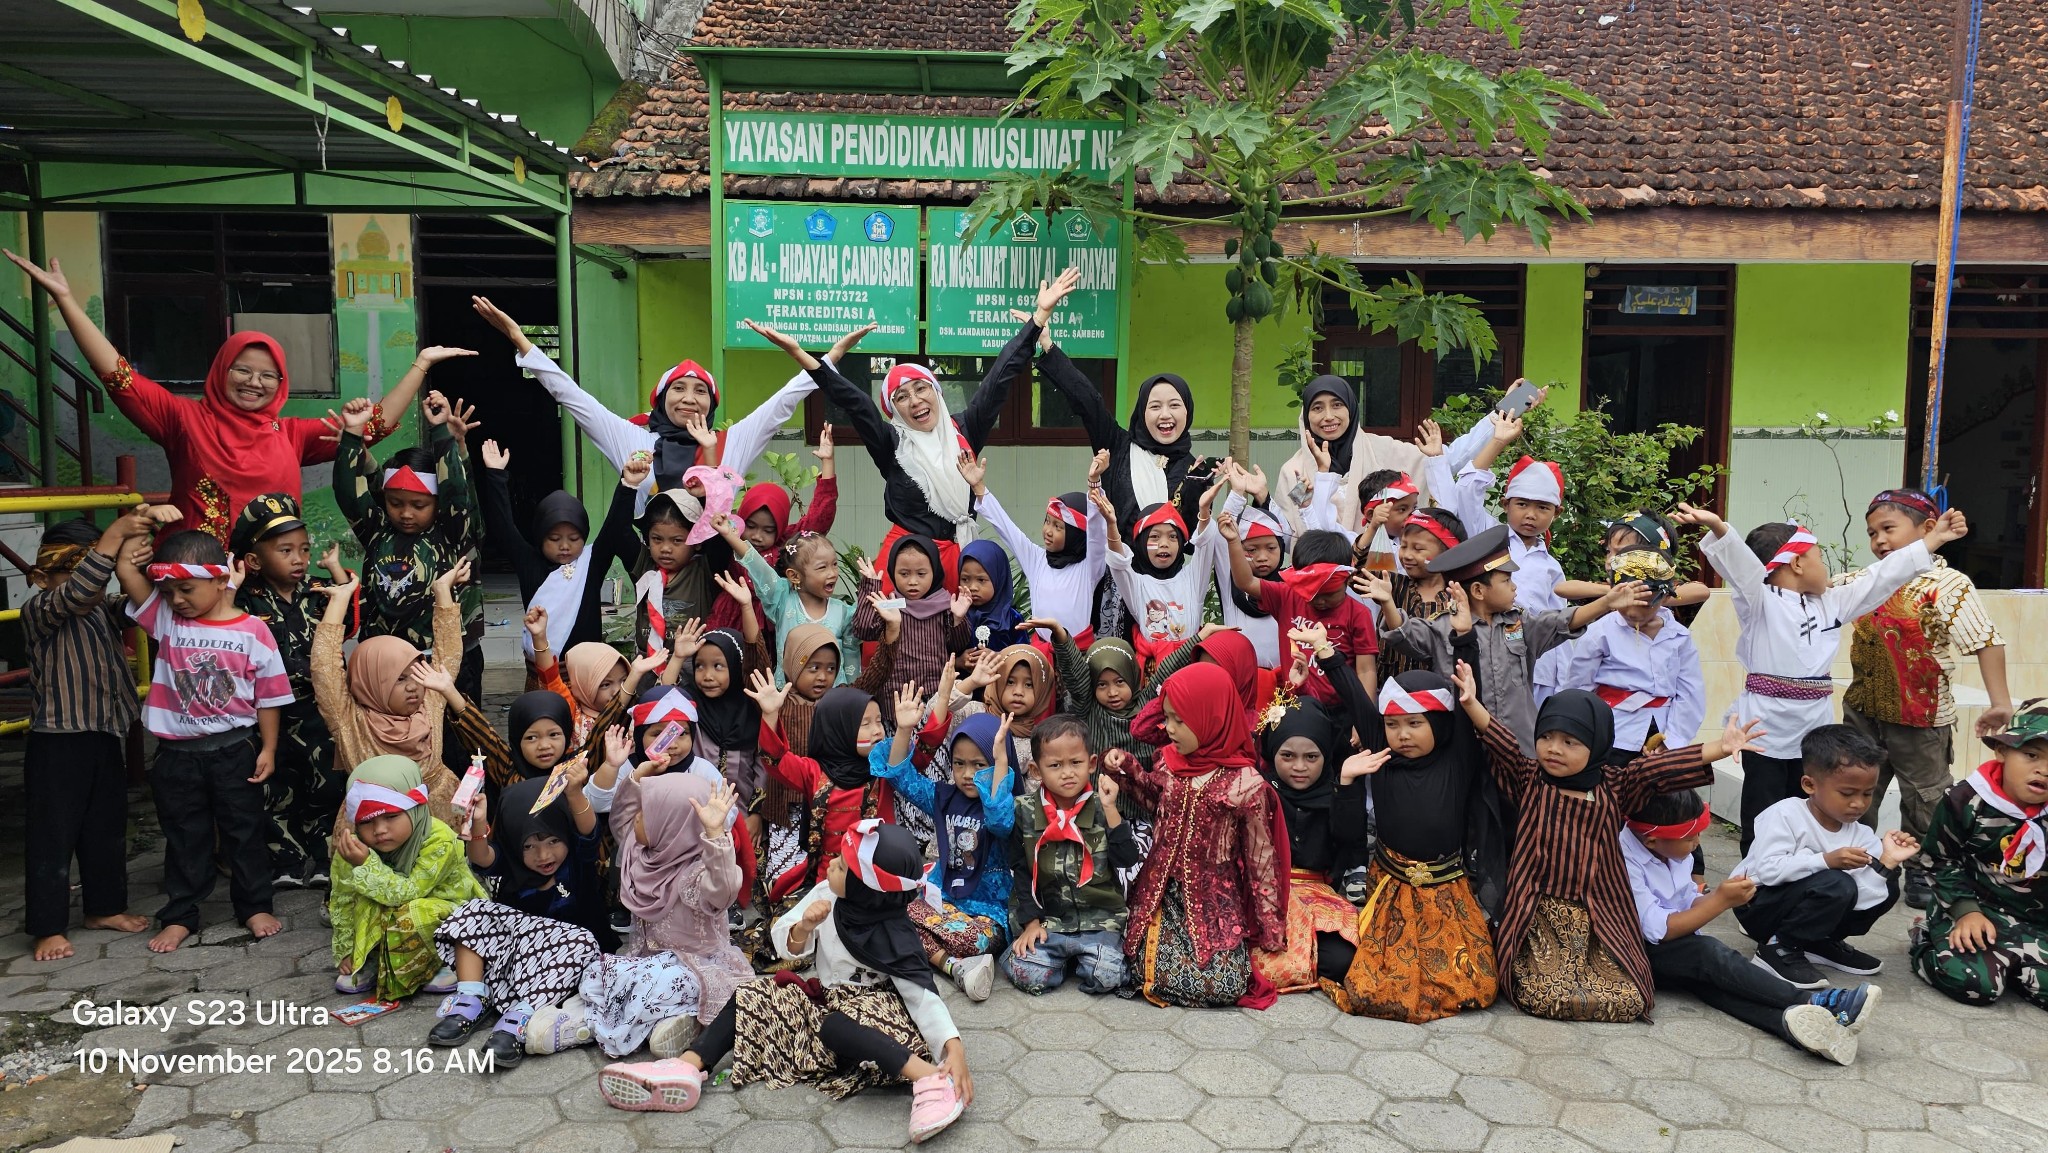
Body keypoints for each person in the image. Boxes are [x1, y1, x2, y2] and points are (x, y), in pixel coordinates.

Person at [2, 250, 447, 542]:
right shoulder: (182, 419)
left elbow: (375, 426)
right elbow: (118, 377)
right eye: (242, 370)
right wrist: (68, 302)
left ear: (281, 383)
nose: (254, 382)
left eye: (268, 375)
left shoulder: (291, 434)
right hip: (198, 580)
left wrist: (420, 364)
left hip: (271, 582)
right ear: (221, 370)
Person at [599, 820, 971, 1147]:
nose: (831, 866)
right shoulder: (826, 894)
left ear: (867, 890)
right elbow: (785, 943)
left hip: (878, 1019)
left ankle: (931, 1080)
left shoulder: (895, 931)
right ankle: (687, 1067)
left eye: (842, 866)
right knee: (750, 994)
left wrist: (952, 1050)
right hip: (828, 1007)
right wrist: (804, 928)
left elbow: (922, 997)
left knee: (836, 1026)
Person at [1463, 668, 1764, 1021]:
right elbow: (1501, 741)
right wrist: (1471, 702)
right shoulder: (1529, 777)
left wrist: (1720, 749)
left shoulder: (1614, 786)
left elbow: (1659, 770)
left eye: (1570, 742)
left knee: (1628, 997)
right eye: (1546, 737)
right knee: (1541, 993)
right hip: (1537, 912)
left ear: (1597, 744)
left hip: (1598, 912)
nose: (1554, 749)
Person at [1672, 500, 1970, 852]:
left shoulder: (1833, 602)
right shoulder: (1760, 600)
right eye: (1819, 557)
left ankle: (1806, 869)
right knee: (1762, 812)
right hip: (1763, 729)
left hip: (1813, 727)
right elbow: (1742, 568)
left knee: (1809, 809)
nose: (1825, 567)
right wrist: (1718, 526)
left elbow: (1882, 576)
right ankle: (1758, 877)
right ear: (1797, 563)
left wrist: (1933, 540)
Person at [744, 268, 1078, 563]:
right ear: (894, 410)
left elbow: (1000, 377)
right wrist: (799, 354)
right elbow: (856, 403)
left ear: (937, 392)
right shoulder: (892, 443)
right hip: (907, 570)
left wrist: (1039, 317)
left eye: (921, 388)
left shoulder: (964, 429)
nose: (915, 401)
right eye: (901, 397)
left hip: (962, 560)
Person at [471, 295, 839, 510]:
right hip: (651, 577)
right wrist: (521, 340)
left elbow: (783, 402)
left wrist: (832, 358)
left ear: (711, 405)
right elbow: (572, 396)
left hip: (720, 576)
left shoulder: (730, 443)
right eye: (679, 389)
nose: (689, 399)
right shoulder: (635, 441)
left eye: (701, 392)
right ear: (662, 399)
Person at [114, 516, 293, 952]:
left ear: (220, 580)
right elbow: (126, 572)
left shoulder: (254, 631)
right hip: (176, 756)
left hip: (235, 750)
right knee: (184, 836)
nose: (176, 599)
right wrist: (137, 528)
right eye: (168, 592)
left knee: (244, 832)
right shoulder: (167, 621)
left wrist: (269, 748)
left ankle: (254, 906)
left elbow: (269, 698)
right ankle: (180, 914)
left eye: (186, 590)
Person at [1839, 488, 2013, 909]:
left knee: (1925, 799)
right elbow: (1821, 592)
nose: (1879, 540)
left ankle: (1923, 868)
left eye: (1888, 528)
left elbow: (1985, 640)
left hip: (1921, 716)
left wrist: (2000, 702)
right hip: (1862, 711)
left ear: (1927, 528)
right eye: (1872, 533)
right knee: (1855, 789)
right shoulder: (1868, 579)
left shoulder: (1948, 584)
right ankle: (1861, 860)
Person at [1622, 788, 1876, 1064]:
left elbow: (1686, 905)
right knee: (1708, 955)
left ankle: (1794, 1026)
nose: (1697, 842)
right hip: (1634, 953)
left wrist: (1720, 895)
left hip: (1670, 944)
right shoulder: (1623, 859)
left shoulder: (1672, 851)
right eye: (1690, 837)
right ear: (1652, 840)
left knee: (1718, 984)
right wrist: (1720, 901)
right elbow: (1660, 931)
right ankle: (1816, 1002)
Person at [1319, 651, 1507, 1021]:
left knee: (1476, 984)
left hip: (1446, 893)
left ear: (1439, 723)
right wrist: (1327, 654)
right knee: (1375, 983)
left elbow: (1466, 696)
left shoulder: (1456, 758)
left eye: (1414, 723)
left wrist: (1464, 640)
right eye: (1392, 724)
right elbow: (1355, 696)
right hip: (1391, 889)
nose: (1402, 734)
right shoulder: (1383, 754)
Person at [1105, 662, 1288, 1008]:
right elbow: (1155, 802)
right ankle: (1152, 975)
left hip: (1213, 903)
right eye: (1167, 717)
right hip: (1161, 894)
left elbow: (1261, 861)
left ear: (1211, 717)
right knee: (1133, 960)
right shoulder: (1168, 761)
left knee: (1226, 983)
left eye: (1179, 719)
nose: (1169, 728)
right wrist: (1126, 767)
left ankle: (1156, 980)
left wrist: (1271, 930)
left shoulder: (1246, 785)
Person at [22, 511, 157, 961]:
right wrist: (116, 533)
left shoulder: (102, 606)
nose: (92, 583)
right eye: (76, 572)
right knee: (52, 836)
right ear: (44, 577)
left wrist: (134, 562)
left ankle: (103, 908)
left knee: (106, 828)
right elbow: (77, 592)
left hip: (104, 732)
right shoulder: (41, 609)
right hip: (58, 741)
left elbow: (139, 603)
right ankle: (47, 927)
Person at [1385, 525, 1645, 754]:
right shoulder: (1444, 626)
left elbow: (1563, 621)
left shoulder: (1521, 623)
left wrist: (1606, 602)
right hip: (1464, 747)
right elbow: (1404, 634)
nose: (1514, 587)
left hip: (1519, 747)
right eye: (1507, 580)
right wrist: (1387, 603)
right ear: (1478, 590)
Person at [428, 760, 609, 1069]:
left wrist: (575, 793)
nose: (544, 855)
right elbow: (482, 857)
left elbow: (588, 830)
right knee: (472, 910)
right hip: (513, 962)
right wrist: (478, 824)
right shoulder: (511, 862)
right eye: (529, 846)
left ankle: (518, 1020)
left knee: (580, 942)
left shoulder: (578, 860)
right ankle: (471, 997)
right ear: (514, 842)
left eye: (553, 841)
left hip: (564, 966)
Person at [586, 756, 751, 1060]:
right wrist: (637, 776)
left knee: (654, 984)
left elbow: (725, 889)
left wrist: (716, 834)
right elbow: (620, 819)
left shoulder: (698, 872)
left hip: (694, 967)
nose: (635, 821)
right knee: (596, 973)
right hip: (646, 963)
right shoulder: (642, 854)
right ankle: (667, 1021)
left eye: (644, 815)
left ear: (670, 824)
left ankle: (680, 1020)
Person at [1733, 725, 1917, 990]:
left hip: (1806, 900)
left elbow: (1863, 899)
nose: (1859, 803)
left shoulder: (1861, 834)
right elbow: (1768, 870)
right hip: (1756, 904)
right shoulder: (1785, 814)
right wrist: (1825, 860)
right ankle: (1778, 947)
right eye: (1847, 793)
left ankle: (1817, 941)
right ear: (1809, 785)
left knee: (1887, 884)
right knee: (1836, 883)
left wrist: (1888, 862)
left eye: (1867, 793)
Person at [231, 494, 353, 889]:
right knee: (275, 785)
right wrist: (230, 587)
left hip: (318, 707)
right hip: (268, 711)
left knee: (326, 781)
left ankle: (325, 853)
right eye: (285, 551)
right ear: (254, 560)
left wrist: (336, 573)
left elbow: (348, 622)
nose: (299, 559)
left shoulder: (318, 591)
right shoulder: (244, 599)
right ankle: (284, 857)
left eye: (303, 549)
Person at [312, 559, 471, 830]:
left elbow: (448, 654)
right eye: (399, 679)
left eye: (416, 674)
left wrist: (443, 591)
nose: (413, 686)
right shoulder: (351, 720)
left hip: (439, 822)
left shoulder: (429, 702)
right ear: (372, 684)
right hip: (376, 829)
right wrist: (339, 601)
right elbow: (324, 668)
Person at [875, 699, 1016, 1001]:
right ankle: (954, 967)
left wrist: (1000, 761)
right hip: (942, 902)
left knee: (970, 939)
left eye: (980, 765)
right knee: (891, 912)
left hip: (985, 916)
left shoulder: (1005, 806)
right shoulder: (943, 796)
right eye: (959, 763)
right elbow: (901, 779)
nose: (967, 774)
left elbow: (999, 822)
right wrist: (904, 730)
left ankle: (925, 954)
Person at [1911, 701, 2048, 1010]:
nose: (2044, 769)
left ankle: (2019, 969)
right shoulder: (1966, 800)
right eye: (2032, 755)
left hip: (2036, 921)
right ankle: (1926, 940)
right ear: (2002, 751)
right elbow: (1938, 860)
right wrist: (1965, 911)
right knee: (1974, 985)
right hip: (1977, 912)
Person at [479, 440, 643, 678]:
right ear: (540, 537)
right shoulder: (529, 562)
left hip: (587, 674)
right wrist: (495, 475)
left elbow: (615, 525)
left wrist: (628, 484)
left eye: (574, 538)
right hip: (542, 672)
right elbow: (503, 526)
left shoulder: (591, 561)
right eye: (554, 538)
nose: (565, 546)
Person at [1251, 685, 1376, 997]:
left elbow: (1349, 841)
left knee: (1342, 960)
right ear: (1272, 752)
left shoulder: (1334, 792)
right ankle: (1296, 963)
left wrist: (1346, 787)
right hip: (1264, 895)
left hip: (1317, 894)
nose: (1299, 767)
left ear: (1326, 755)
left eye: (1311, 757)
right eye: (1287, 756)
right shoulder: (1258, 791)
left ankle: (1290, 965)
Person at [328, 756, 485, 1001]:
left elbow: (408, 892)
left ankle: (445, 961)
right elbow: (341, 900)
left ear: (415, 810)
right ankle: (371, 959)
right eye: (367, 821)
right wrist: (346, 950)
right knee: (364, 899)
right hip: (395, 915)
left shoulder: (439, 839)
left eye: (391, 817)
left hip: (449, 915)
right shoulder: (353, 848)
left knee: (415, 911)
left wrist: (366, 865)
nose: (379, 830)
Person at [1005, 715, 1141, 995]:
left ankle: (1080, 960)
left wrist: (1111, 809)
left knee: (1108, 975)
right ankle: (1062, 960)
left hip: (1100, 922)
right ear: (1036, 770)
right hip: (1050, 923)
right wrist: (1030, 923)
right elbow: (1021, 870)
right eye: (1055, 765)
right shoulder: (1024, 811)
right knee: (1026, 972)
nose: (1067, 773)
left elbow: (1127, 859)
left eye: (1076, 763)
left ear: (1091, 764)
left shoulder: (1103, 807)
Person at [1039, 344, 1218, 538]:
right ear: (1142, 412)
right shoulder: (1117, 446)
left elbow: (1193, 541)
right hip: (1116, 557)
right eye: (1155, 406)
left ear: (1187, 411)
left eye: (1174, 405)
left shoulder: (1195, 470)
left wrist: (1196, 487)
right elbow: (1089, 401)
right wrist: (1048, 346)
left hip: (1170, 560)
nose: (1165, 414)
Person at [1560, 547, 1708, 761]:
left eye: (1645, 605)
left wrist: (1673, 740)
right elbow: (1578, 687)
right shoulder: (1600, 633)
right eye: (1626, 604)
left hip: (1663, 732)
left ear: (1666, 597)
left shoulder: (1679, 637)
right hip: (1612, 732)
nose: (1632, 612)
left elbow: (1690, 692)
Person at [1221, 518, 1380, 705]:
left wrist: (1365, 714)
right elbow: (1246, 582)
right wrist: (1234, 542)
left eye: (1329, 594)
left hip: (1343, 708)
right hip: (1297, 706)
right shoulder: (1287, 596)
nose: (1320, 600)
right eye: (1310, 592)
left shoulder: (1358, 613)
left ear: (1348, 579)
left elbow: (1366, 670)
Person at [962, 449, 1110, 647]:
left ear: (1076, 534)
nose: (1048, 531)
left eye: (1058, 527)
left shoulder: (1089, 567)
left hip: (1078, 653)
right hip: (1041, 652)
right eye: (1047, 521)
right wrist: (978, 487)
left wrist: (1094, 482)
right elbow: (1007, 529)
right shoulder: (1037, 560)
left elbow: (1097, 533)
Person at [1271, 375, 1432, 535]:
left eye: (1337, 405)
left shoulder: (1383, 450)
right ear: (1306, 415)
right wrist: (1263, 499)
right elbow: (1286, 533)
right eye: (1317, 408)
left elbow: (1425, 462)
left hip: (1378, 552)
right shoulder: (1293, 471)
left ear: (1351, 408)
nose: (1328, 416)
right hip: (1315, 552)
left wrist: (1437, 457)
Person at [727, 506, 862, 688]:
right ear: (794, 576)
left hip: (832, 698)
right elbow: (759, 567)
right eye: (822, 567)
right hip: (788, 696)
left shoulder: (844, 612)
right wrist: (730, 536)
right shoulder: (782, 599)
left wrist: (852, 693)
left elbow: (851, 654)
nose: (832, 573)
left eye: (835, 564)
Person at [1098, 483, 1223, 673]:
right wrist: (1111, 525)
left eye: (1173, 537)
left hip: (1190, 667)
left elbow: (1205, 544)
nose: (1164, 544)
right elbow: (1118, 563)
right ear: (1141, 543)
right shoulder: (1137, 585)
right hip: (1152, 672)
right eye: (1155, 537)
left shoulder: (1193, 578)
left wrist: (1204, 512)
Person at [1351, 505, 1467, 681]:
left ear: (1449, 553)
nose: (1407, 555)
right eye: (1403, 546)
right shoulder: (1394, 585)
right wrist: (1373, 527)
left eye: (1418, 549)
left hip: (1440, 690)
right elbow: (1358, 574)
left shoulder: (1458, 598)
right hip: (1391, 686)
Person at [851, 536, 969, 702]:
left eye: (921, 574)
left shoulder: (946, 605)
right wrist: (871, 586)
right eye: (904, 574)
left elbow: (957, 646)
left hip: (935, 694)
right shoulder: (890, 605)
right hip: (895, 696)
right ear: (893, 572)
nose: (913, 582)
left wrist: (957, 618)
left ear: (934, 572)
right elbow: (863, 630)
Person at [1213, 461, 1293, 669]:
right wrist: (1237, 495)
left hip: (1285, 681)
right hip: (1241, 679)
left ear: (1281, 548)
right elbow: (1224, 536)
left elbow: (1304, 543)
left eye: (1271, 548)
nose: (1262, 557)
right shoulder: (1230, 581)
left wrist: (1263, 496)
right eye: (1252, 549)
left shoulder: (1290, 585)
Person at [956, 538, 1029, 658]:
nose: (972, 587)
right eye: (965, 579)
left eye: (981, 580)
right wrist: (959, 661)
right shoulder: (957, 615)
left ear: (998, 579)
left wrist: (999, 657)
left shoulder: (1011, 618)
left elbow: (1025, 656)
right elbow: (941, 654)